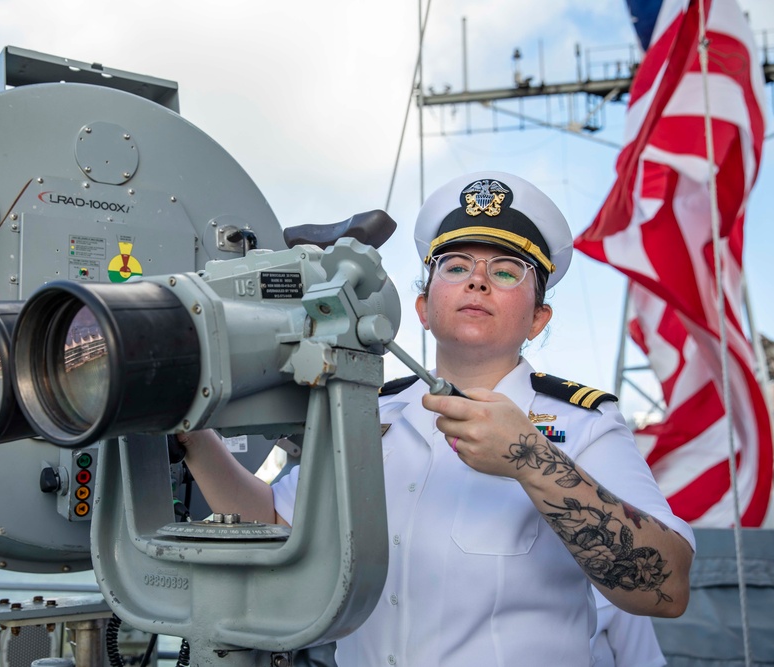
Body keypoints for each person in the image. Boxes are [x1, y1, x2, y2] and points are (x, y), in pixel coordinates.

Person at [180, 171, 694, 666]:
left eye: (506, 271)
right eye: (455, 266)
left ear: (538, 318)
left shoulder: (584, 425)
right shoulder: (367, 411)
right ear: (423, 308)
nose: (477, 281)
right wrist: (193, 435)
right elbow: (273, 521)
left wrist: (530, 458)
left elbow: (665, 590)